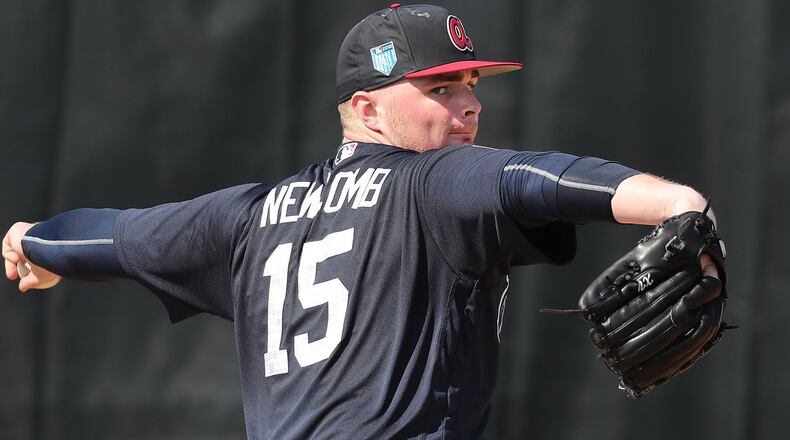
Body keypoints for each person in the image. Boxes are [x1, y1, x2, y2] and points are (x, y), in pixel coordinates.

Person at [3, 4, 720, 439]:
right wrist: (679, 206)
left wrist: (33, 244)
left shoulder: (248, 218)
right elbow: (546, 180)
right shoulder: (435, 182)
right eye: (440, 87)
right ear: (369, 110)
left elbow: (116, 237)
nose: (469, 105)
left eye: (470, 84)